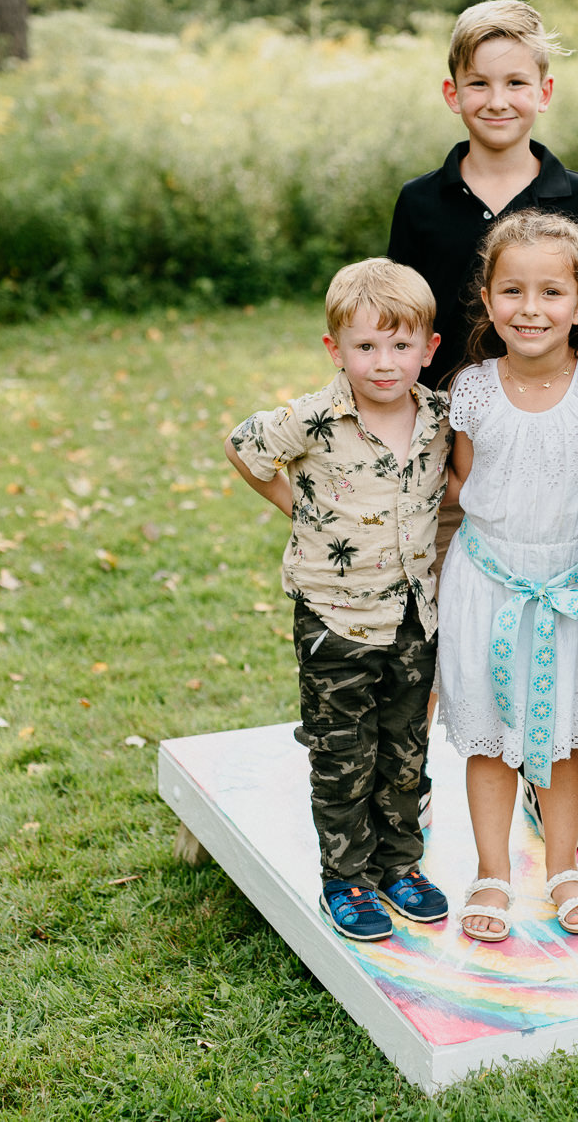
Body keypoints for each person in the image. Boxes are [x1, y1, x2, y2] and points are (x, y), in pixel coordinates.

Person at [388, 0, 578, 845]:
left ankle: (543, 780)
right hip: (449, 446)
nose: (498, 98)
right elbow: (396, 312)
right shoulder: (421, 203)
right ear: (452, 93)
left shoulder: (577, 194)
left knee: (543, 629)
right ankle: (401, 783)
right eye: (479, 82)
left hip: (551, 445)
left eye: (515, 82)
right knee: (426, 618)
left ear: (545, 90)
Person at [224, 259, 452, 943]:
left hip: (415, 613)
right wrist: (299, 509)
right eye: (366, 346)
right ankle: (346, 877)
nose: (384, 362)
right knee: (343, 751)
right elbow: (243, 447)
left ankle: (399, 864)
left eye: (401, 345)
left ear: (429, 348)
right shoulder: (316, 417)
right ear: (336, 349)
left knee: (405, 747)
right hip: (334, 617)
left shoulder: (439, 416)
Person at [436, 209, 578, 941]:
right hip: (487, 583)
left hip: (571, 586)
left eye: (551, 292)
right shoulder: (476, 389)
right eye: (512, 291)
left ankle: (562, 868)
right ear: (487, 302)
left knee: (558, 739)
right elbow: (463, 482)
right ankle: (492, 871)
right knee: (489, 737)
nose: (530, 308)